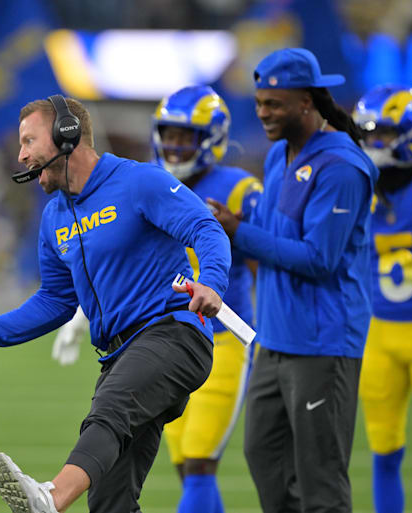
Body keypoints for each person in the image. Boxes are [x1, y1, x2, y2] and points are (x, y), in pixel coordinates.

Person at [0, 94, 232, 513]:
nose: (20, 155)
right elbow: (56, 300)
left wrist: (212, 282)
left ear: (67, 134)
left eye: (28, 141)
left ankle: (52, 497)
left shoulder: (139, 181)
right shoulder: (53, 216)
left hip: (173, 335)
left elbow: (206, 227)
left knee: (109, 411)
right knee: (110, 502)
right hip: (120, 353)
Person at [52, 85, 260, 513]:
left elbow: (263, 261)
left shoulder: (238, 187)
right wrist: (79, 316)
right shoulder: (145, 179)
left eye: (187, 135)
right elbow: (115, 261)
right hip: (157, 337)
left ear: (212, 137)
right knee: (186, 463)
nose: (176, 144)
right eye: (171, 133)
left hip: (217, 339)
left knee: (200, 459)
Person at [208, 48, 378, 513]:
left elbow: (319, 259)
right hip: (275, 337)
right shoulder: (280, 154)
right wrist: (227, 223)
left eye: (273, 104)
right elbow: (271, 230)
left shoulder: (342, 167)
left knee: (320, 480)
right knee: (263, 456)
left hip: (322, 342)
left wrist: (238, 230)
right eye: (260, 102)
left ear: (306, 101)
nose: (262, 112)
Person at [352, 84, 412, 513]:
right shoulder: (358, 190)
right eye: (368, 134)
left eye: (383, 134)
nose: (373, 144)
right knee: (383, 452)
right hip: (377, 335)